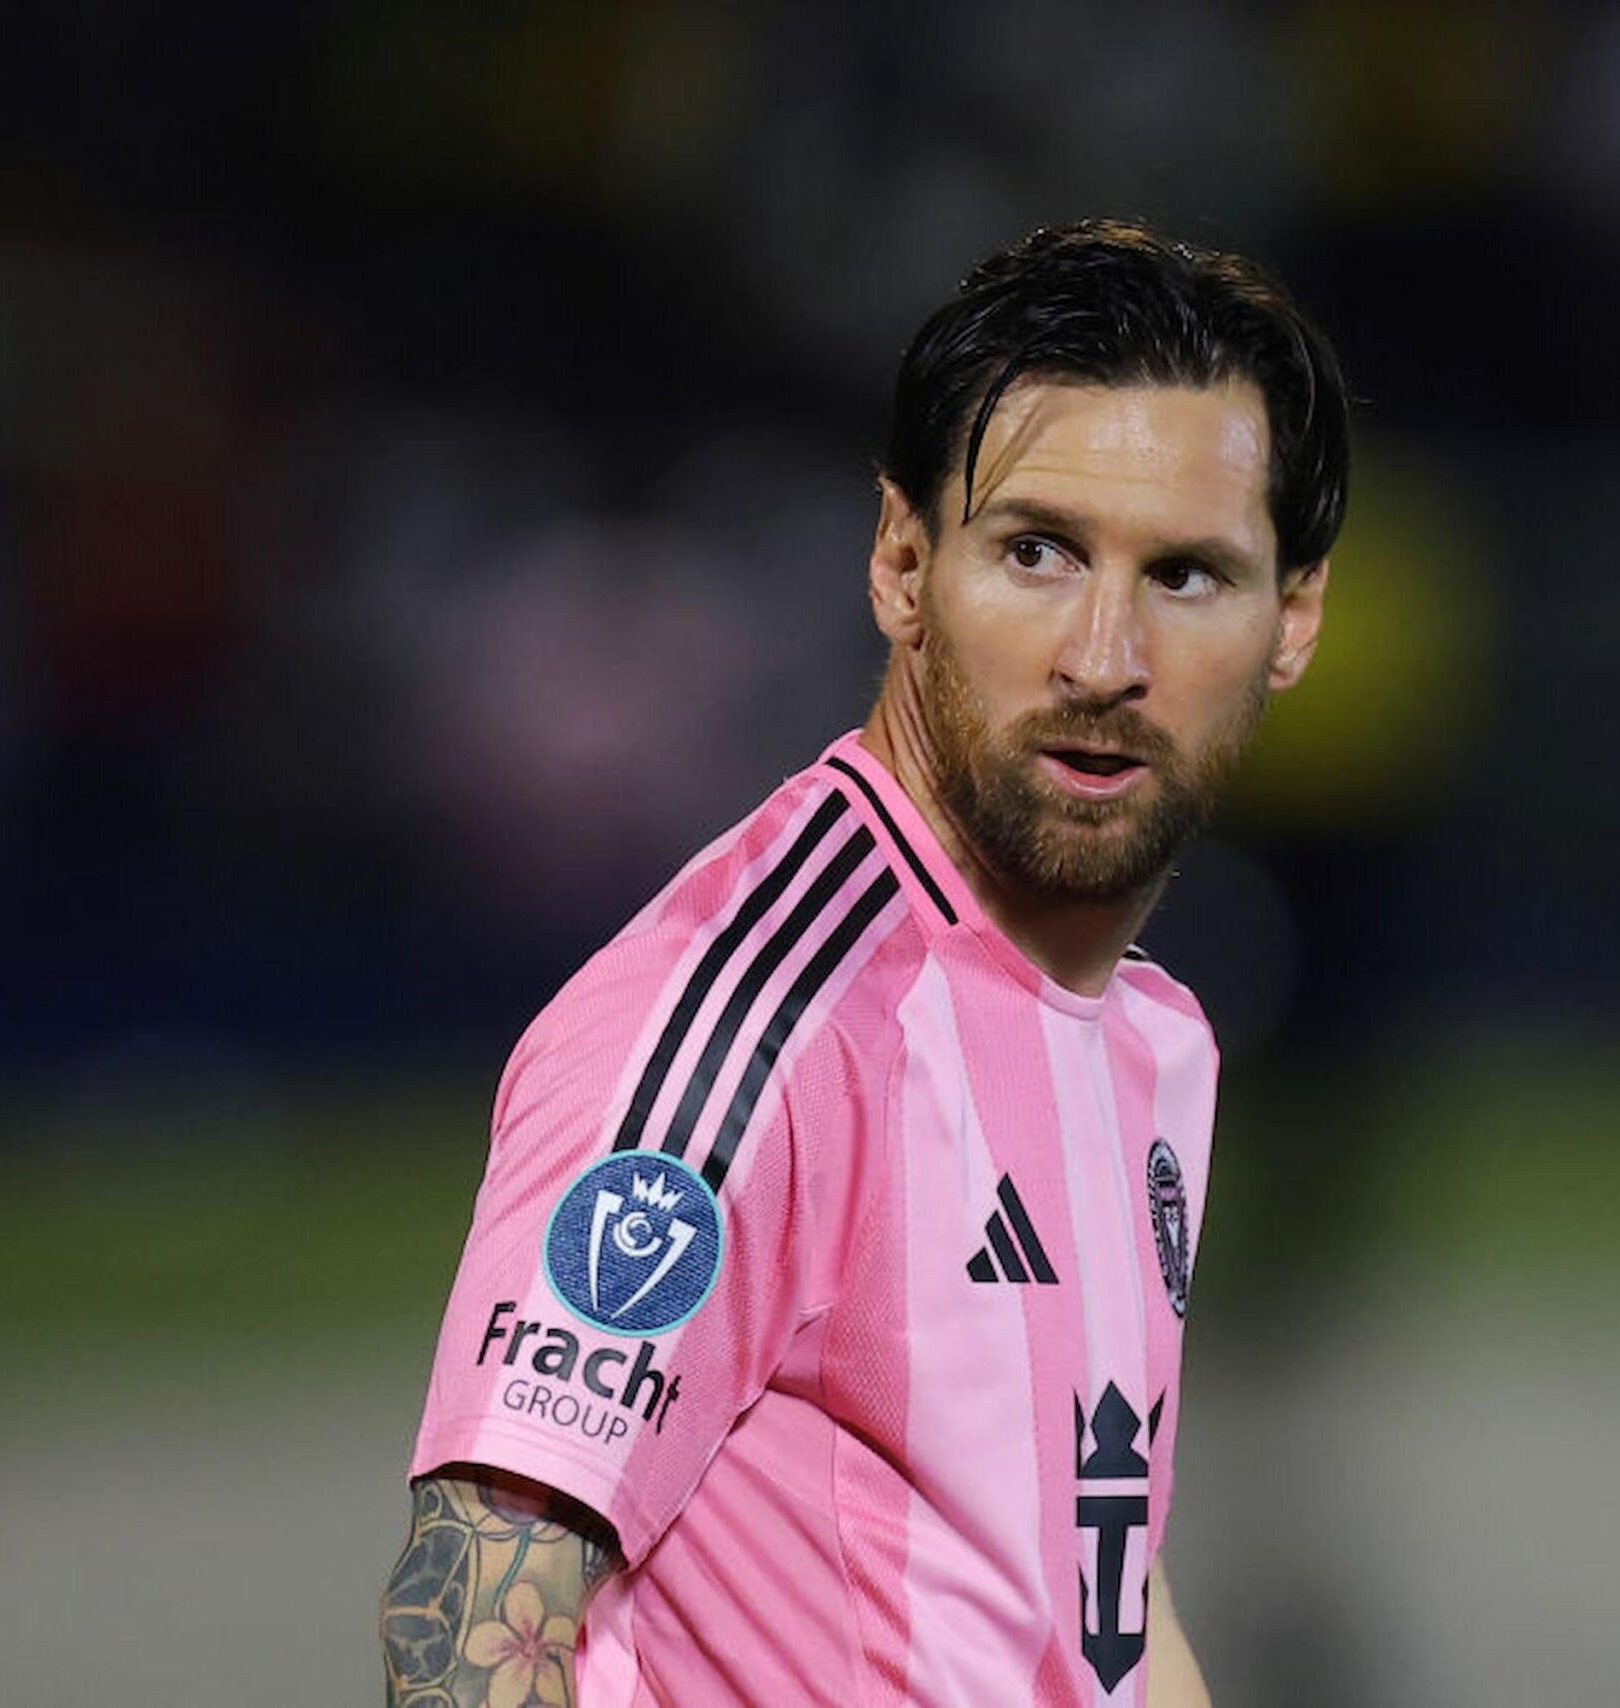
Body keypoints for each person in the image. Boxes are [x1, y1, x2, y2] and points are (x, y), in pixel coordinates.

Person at [383, 217, 1350, 1707]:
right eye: (1037, 552)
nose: (1103, 657)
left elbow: (1086, 1588)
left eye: (1187, 576)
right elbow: (468, 1628)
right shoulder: (752, 1033)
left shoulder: (1152, 1036)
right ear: (903, 565)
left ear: (1293, 621)